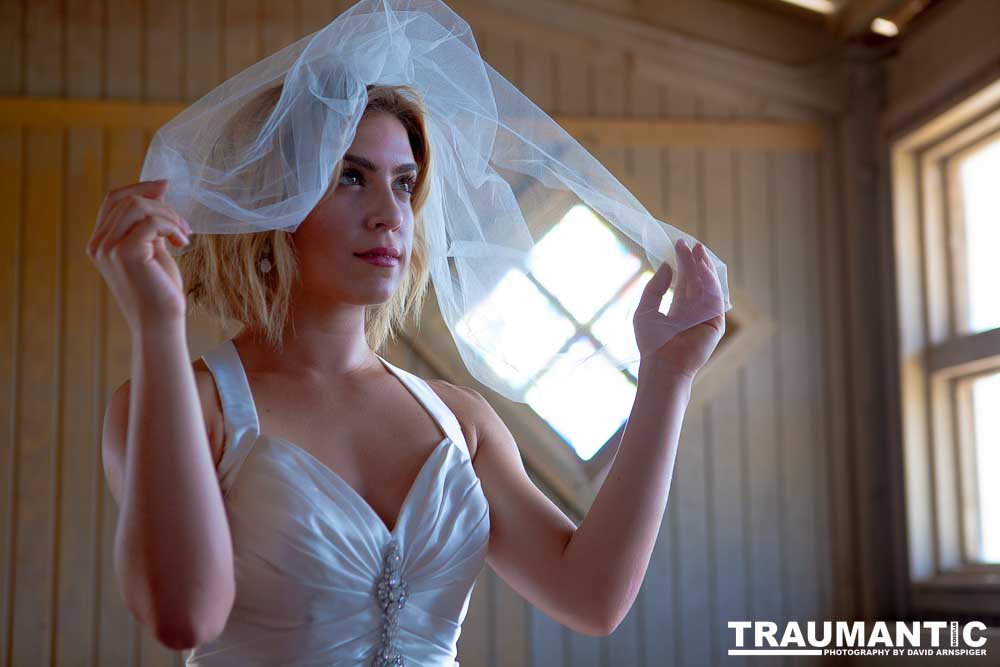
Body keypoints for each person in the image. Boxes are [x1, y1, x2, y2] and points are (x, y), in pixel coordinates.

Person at [88, 39, 724, 667]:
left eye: (404, 184)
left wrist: (667, 376)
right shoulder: (188, 408)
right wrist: (158, 327)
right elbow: (185, 617)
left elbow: (592, 598)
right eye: (350, 178)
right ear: (273, 203)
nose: (390, 215)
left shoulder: (461, 422)